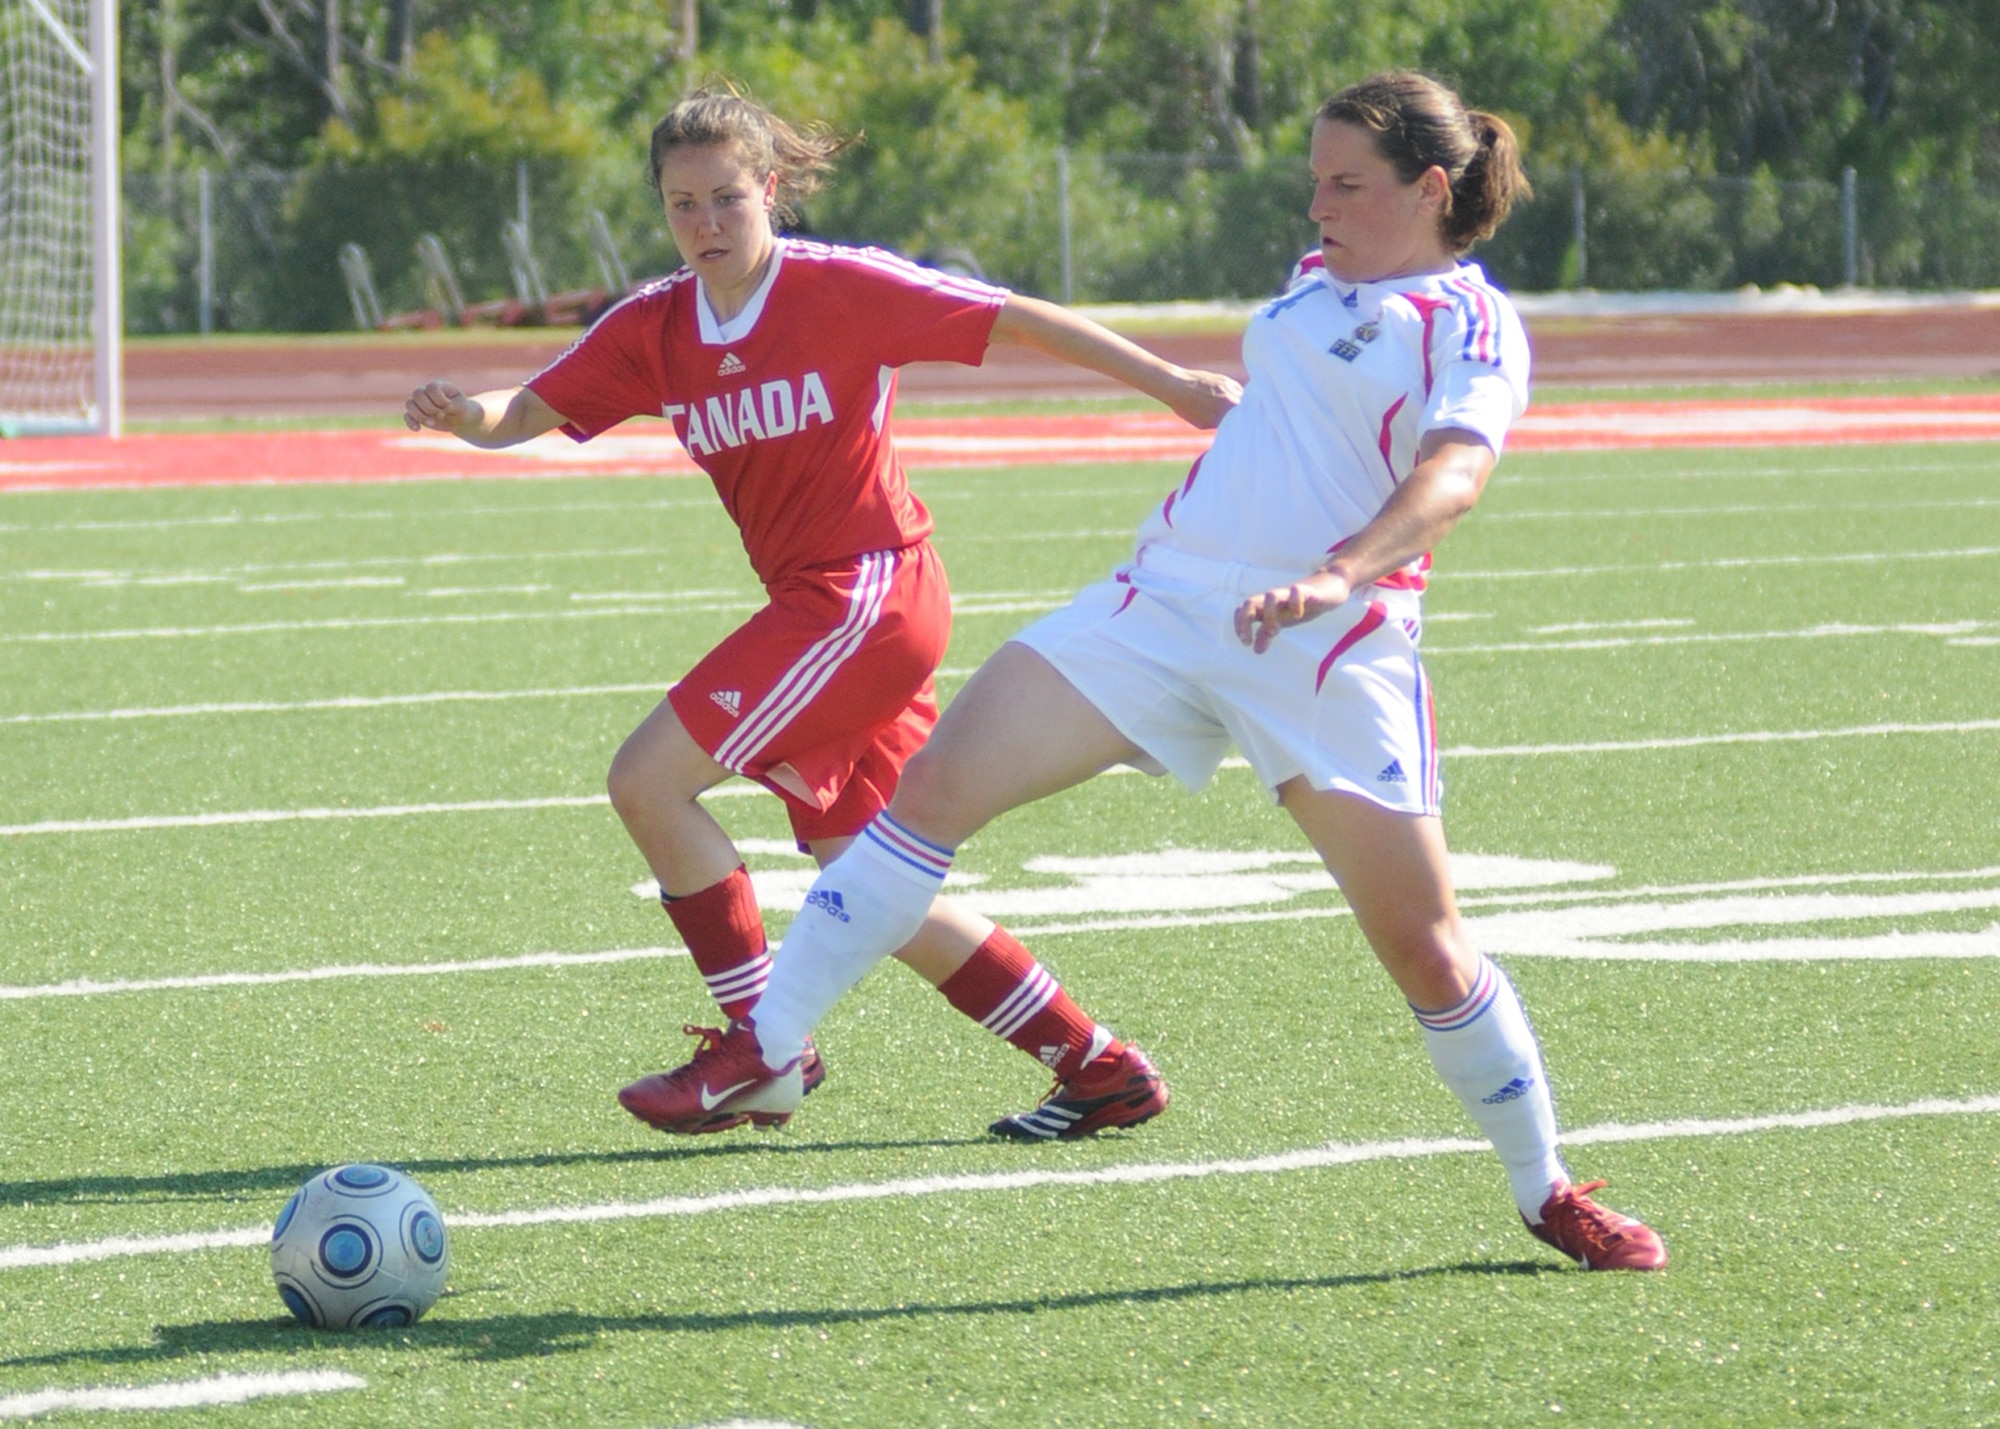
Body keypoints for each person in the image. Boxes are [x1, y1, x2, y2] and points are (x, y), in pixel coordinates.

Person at [626, 71, 1669, 1271]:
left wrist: (1342, 572)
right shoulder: (1313, 282)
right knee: (921, 801)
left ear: (1430, 190)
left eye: (1344, 183)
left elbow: (1452, 473)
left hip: (1328, 643)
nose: (1315, 203)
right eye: (1312, 179)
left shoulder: (1468, 321)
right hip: (1161, 605)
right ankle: (769, 1043)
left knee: (1425, 948)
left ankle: (1542, 1186)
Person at [403, 88, 1239, 1140]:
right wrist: (461, 413)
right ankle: (1098, 1065)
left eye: (726, 199)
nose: (705, 225)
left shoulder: (837, 287)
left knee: (647, 781)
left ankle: (766, 1046)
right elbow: (525, 411)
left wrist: (1168, 383)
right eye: (681, 205)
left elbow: (1008, 314)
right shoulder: (655, 327)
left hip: (867, 595)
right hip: (830, 608)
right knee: (866, 879)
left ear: (773, 190)